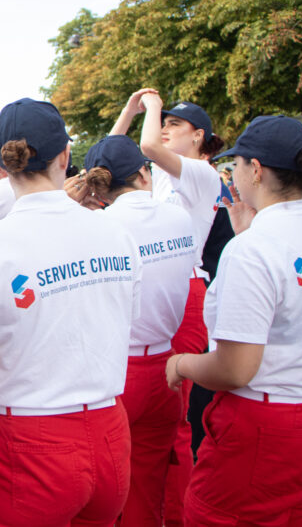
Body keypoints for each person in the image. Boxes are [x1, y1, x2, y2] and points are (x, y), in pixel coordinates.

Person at [0, 98, 141, 527]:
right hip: (108, 431)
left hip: (30, 442)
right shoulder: (117, 233)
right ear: (65, 156)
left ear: (2, 164)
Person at [166, 115, 302, 523]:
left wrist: (181, 363)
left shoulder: (254, 249)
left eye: (236, 165)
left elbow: (235, 368)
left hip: (270, 430)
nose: (231, 173)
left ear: (255, 169)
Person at [110, 89, 225, 524]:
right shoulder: (156, 175)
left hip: (184, 292)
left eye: (174, 125)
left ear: (199, 137)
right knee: (151, 416)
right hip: (154, 288)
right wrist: (127, 112)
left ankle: (177, 512)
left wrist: (152, 103)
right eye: (162, 122)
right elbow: (109, 157)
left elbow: (147, 146)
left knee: (175, 420)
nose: (162, 130)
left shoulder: (200, 173)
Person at [79, 135, 196, 526]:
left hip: (116, 372)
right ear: (144, 175)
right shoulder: (180, 216)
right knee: (147, 487)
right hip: (165, 364)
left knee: (104, 487)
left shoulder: (97, 226)